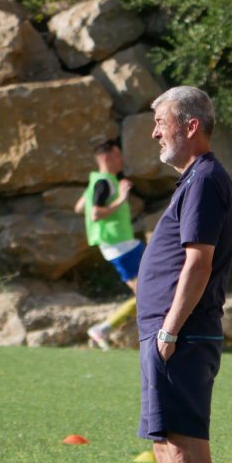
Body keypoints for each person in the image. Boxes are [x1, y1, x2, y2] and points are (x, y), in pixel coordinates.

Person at [120, 86, 232, 463]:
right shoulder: (193, 179)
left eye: (162, 120)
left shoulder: (207, 178)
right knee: (167, 449)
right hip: (168, 332)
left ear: (192, 125)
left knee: (187, 449)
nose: (154, 131)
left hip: (183, 334)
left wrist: (169, 327)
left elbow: (198, 261)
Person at [75, 139, 144, 350]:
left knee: (153, 292)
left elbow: (80, 208)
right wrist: (121, 199)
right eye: (117, 155)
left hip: (124, 245)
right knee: (149, 295)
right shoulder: (104, 182)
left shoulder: (100, 182)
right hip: (120, 246)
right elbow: (94, 214)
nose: (121, 160)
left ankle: (104, 329)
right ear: (106, 157)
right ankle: (103, 329)